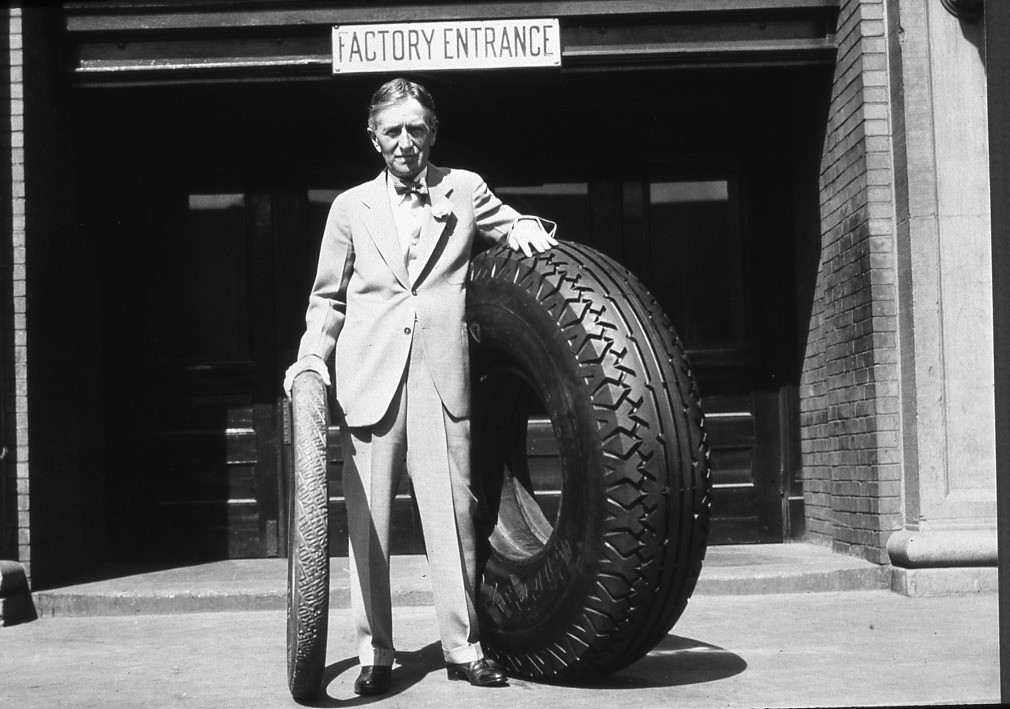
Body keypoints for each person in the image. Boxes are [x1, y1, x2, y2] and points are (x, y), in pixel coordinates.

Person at [284, 77, 557, 695]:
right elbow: (327, 299)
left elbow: (508, 223)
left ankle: (464, 647)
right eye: (392, 131)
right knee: (368, 528)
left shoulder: (464, 188)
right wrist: (311, 359)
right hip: (369, 381)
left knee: (453, 517)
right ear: (373, 137)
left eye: (416, 128)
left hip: (439, 379)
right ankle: (375, 655)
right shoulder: (349, 208)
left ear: (433, 132)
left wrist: (524, 228)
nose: (405, 142)